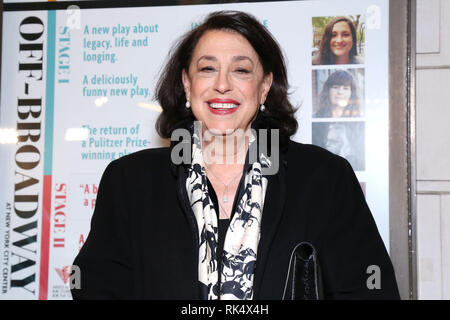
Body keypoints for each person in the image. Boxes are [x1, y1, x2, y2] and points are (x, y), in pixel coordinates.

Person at [71, 11, 399, 300]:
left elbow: (368, 288)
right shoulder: (130, 181)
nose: (223, 85)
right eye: (207, 69)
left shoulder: (324, 177)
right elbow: (97, 285)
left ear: (265, 85)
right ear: (187, 84)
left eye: (241, 70)